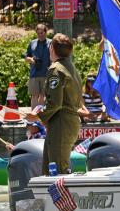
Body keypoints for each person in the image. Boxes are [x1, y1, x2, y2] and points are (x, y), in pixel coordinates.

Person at [28, 33, 83, 175]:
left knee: (57, 172)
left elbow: (55, 103)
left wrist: (38, 116)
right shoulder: (71, 68)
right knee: (50, 169)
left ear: (51, 48)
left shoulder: (56, 70)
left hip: (61, 123)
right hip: (69, 122)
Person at [25, 24, 51, 108]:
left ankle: (40, 114)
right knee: (34, 95)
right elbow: (26, 57)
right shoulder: (32, 43)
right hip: (34, 73)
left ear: (46, 32)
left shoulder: (51, 43)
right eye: (38, 33)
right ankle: (33, 114)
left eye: (42, 33)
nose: (40, 35)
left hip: (46, 73)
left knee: (43, 95)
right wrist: (31, 60)